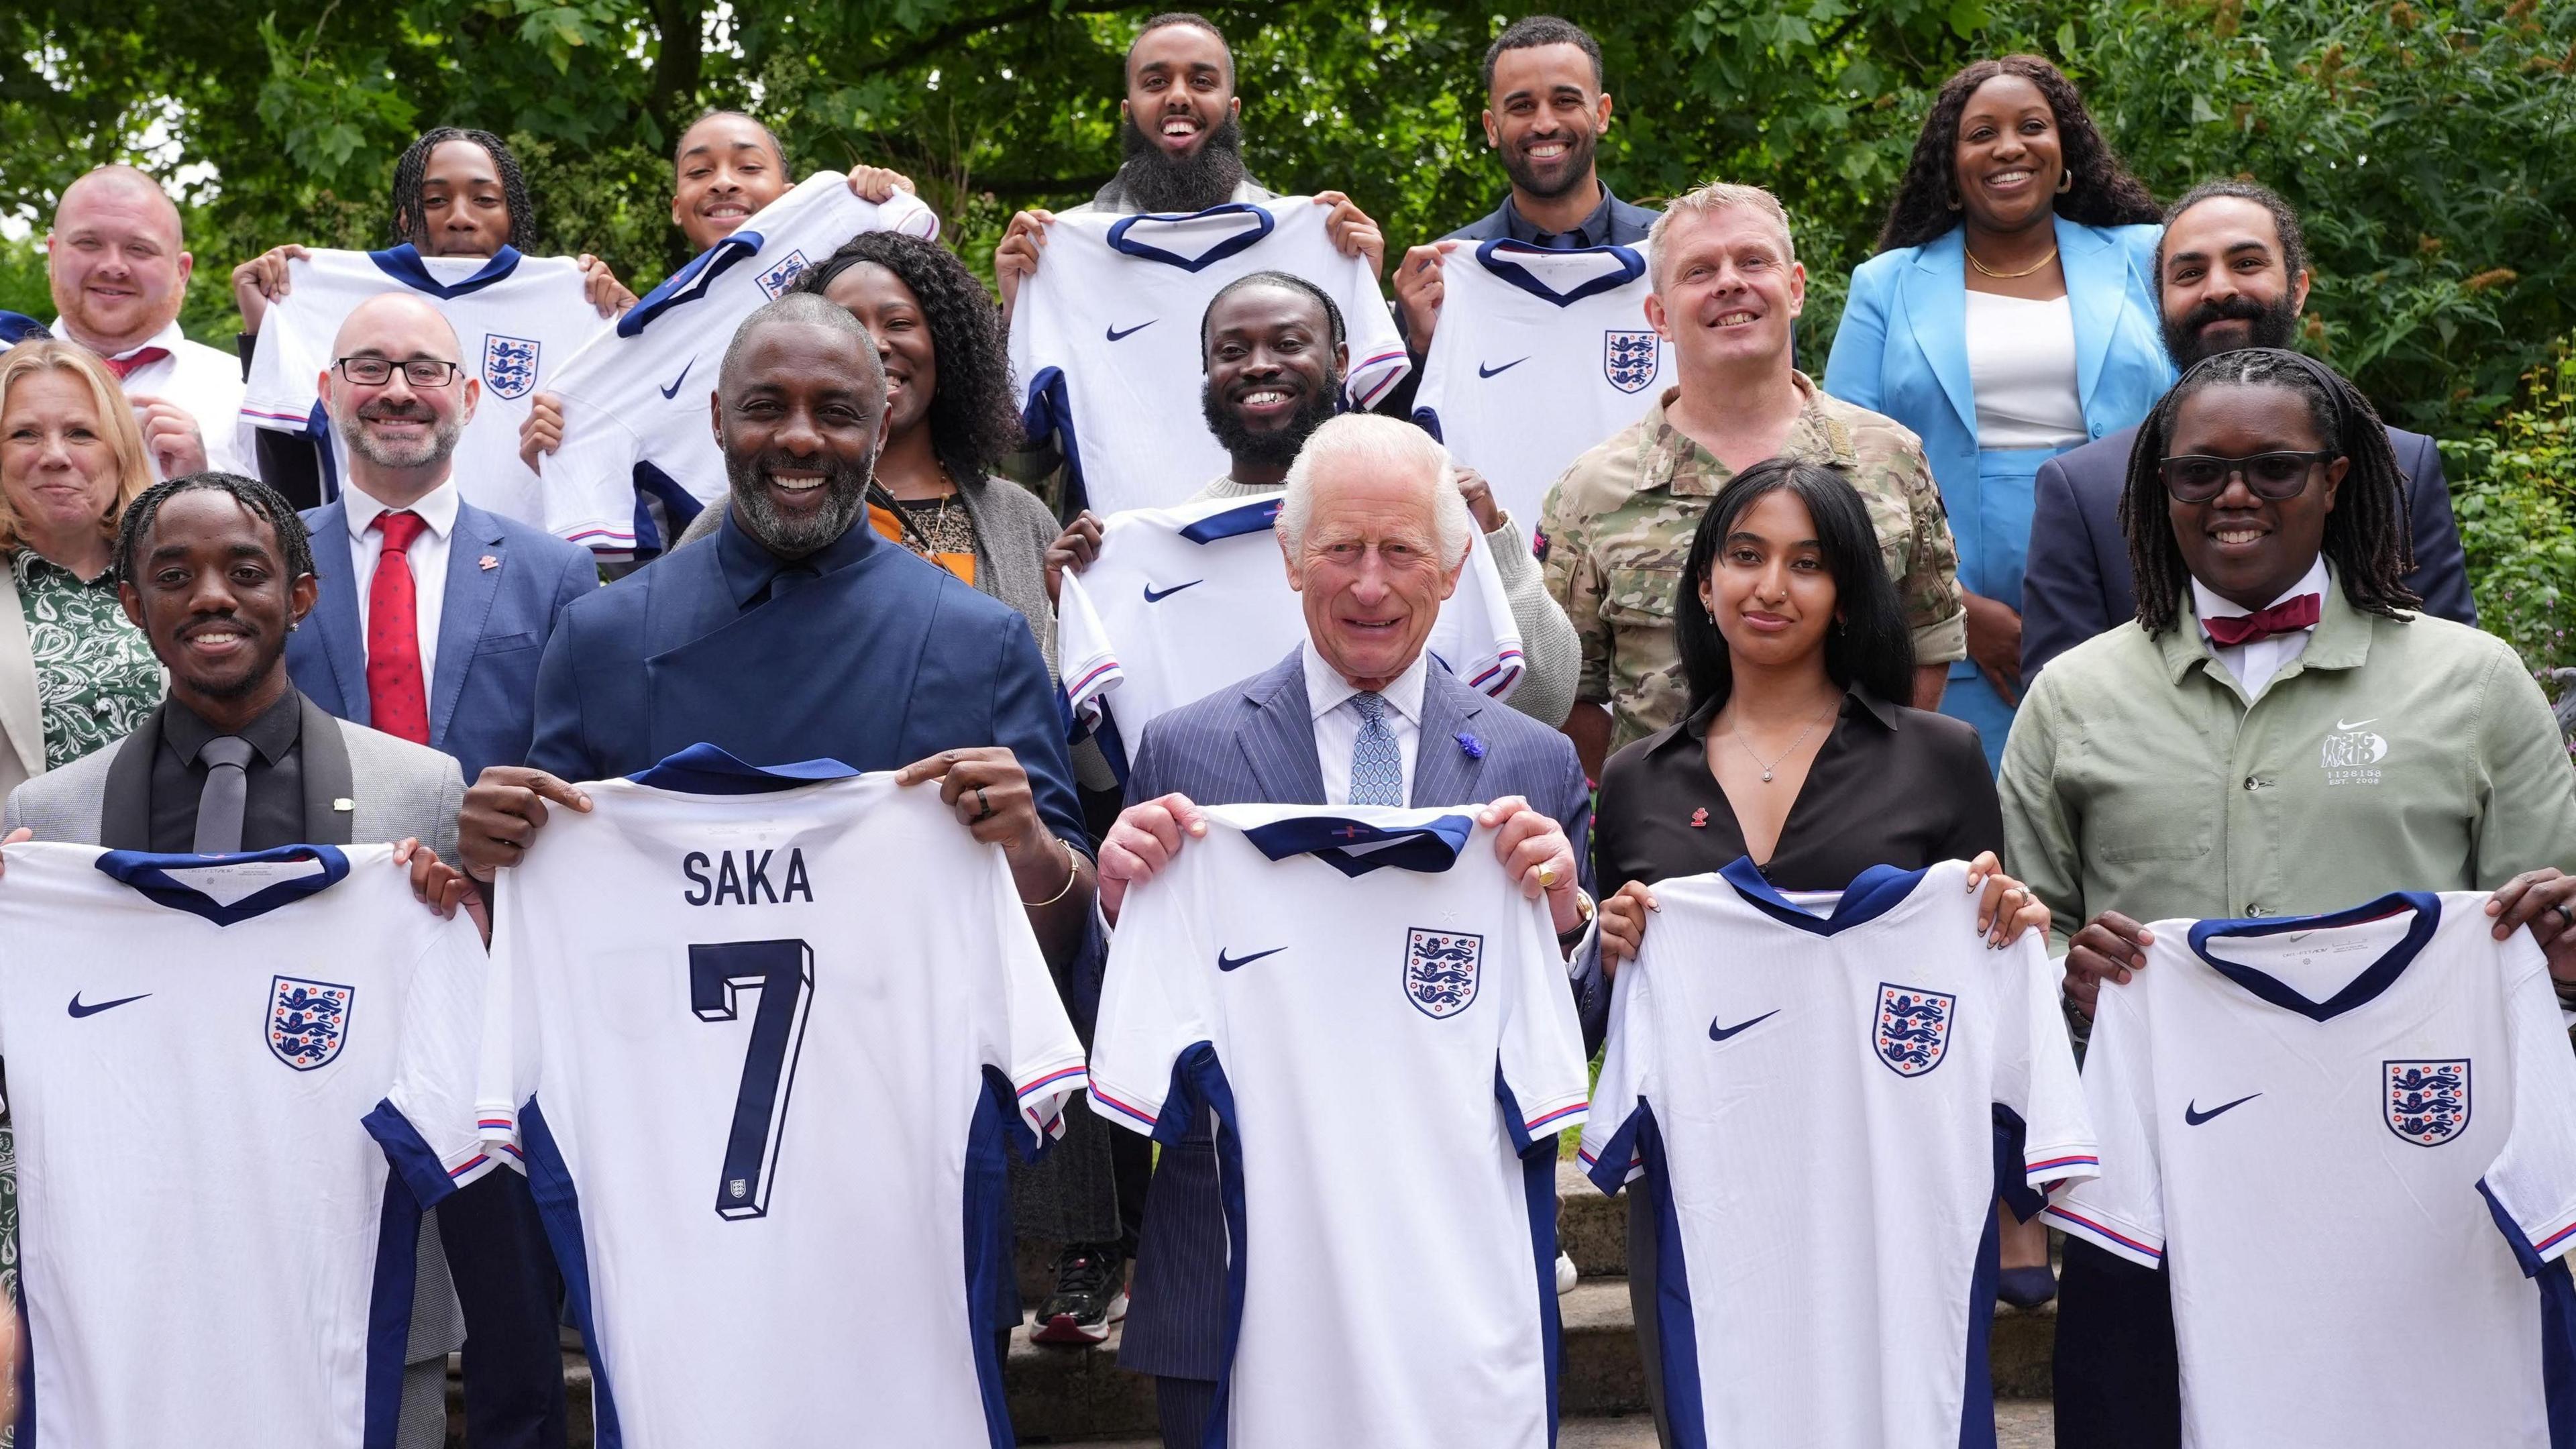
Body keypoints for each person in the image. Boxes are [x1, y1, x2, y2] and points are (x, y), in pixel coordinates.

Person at [1997, 347, 2576, 1448]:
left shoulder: (2474, 681)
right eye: (2198, 472)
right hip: (2163, 1204)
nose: (2233, 496)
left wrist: (2563, 951)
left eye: (2273, 468)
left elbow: (2542, 934)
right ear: (2156, 488)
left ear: (2339, 480)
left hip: (2424, 1195)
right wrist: (2070, 980)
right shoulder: (2072, 698)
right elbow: (2019, 940)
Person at [1088, 411, 1599, 1448]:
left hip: (1459, 1280)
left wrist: (1567, 923)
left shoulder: (1534, 765)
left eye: (1402, 550)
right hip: (1241, 1285)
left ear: (1455, 569)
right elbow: (1131, 1032)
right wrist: (1114, 910)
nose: (1371, 585)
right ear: (1288, 557)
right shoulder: (1182, 754)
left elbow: (1577, 1027)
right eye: (1341, 550)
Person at [663, 233, 1124, 1344]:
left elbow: (1062, 685)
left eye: (901, 323)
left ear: (944, 347)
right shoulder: (736, 517)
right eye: (850, 321)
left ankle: (1079, 1250)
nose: (878, 342)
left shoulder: (1014, 515)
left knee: (1056, 938)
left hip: (979, 835)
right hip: (800, 865)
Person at [0, 470, 482, 1449]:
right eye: (173, 574)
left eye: (247, 570)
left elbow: (477, 1041)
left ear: (301, 596)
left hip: (353, 1301)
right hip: (124, 1310)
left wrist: (467, 916)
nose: (211, 595)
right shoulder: (46, 821)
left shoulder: (421, 793)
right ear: (133, 605)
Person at [1587, 457, 2051, 1443]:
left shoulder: (1940, 758)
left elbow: (1982, 970)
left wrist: (2013, 922)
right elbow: (1598, 1016)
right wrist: (1609, 944)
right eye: (1746, 556)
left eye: (1808, 564)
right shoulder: (1634, 780)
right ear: (1704, 582)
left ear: (1845, 598)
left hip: (1896, 1191)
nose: (1771, 587)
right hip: (1710, 1199)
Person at [455, 290, 1093, 954]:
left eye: (837, 413)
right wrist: (491, 859)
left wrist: (1030, 847)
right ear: (718, 420)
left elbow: (1069, 931)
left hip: (907, 1051)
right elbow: (549, 919)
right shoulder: (599, 639)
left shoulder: (984, 643)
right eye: (764, 408)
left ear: (879, 431)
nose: (798, 436)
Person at [276, 293, 592, 1448]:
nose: (397, 389)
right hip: (308, 956)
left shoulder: (555, 573)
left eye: (424, 368)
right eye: (368, 367)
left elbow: (581, 758)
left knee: (509, 1284)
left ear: (469, 394)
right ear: (326, 393)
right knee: (315, 1258)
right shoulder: (263, 555)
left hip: (498, 962)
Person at [1540, 181, 1968, 780]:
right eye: (1698, 270)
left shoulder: (1888, 458)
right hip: (1671, 846)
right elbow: (1568, 693)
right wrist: (1653, 796)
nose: (1729, 282)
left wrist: (1872, 783)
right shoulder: (1591, 492)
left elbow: (1929, 640)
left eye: (1752, 261)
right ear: (1659, 315)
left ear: (1794, 289)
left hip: (1857, 831)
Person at [1824, 53, 2170, 772]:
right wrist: (1954, 614)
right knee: (1979, 842)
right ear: (1950, 168)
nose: (2008, 146)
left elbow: (2205, 411)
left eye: (2032, 126)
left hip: (2139, 591)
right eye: (1982, 133)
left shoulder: (2147, 257)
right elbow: (1843, 462)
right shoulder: (1886, 284)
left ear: (2065, 153)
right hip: (1953, 623)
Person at [1046, 270, 1582, 726]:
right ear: (1207, 373)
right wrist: (1069, 614)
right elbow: (1099, 766)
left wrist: (1494, 543)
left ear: (1342, 360)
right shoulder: (1154, 553)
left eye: (1287, 344)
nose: (1258, 365)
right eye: (1232, 351)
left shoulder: (1425, 514)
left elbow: (1544, 703)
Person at [2020, 179, 2476, 676]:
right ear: (2160, 303)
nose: (2219, 289)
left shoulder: (2402, 467)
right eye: (2190, 273)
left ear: (2298, 290)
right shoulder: (2083, 490)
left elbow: (2453, 682)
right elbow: (2061, 717)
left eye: (2247, 264)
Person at [232, 127, 635, 509]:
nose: (460, 217)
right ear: (407, 216)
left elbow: (618, 456)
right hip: (364, 553)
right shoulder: (326, 290)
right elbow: (287, 462)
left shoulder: (572, 297)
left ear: (512, 213)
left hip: (517, 565)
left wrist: (632, 329)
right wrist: (264, 330)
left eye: (485, 200)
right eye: (436, 201)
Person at [516, 109, 920, 472]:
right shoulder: (647, 331)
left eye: (748, 167)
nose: (723, 183)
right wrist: (560, 458)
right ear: (677, 207)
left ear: (791, 195)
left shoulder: (853, 276)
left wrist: (891, 205)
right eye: (698, 172)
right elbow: (651, 522)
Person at [991, 12, 1384, 329]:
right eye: (1156, 82)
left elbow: (1355, 402)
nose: (1178, 97)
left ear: (1233, 110)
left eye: (1201, 81)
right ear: (1128, 112)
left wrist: (1358, 292)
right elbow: (1017, 414)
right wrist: (1016, 315)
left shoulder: (1319, 241)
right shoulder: (1055, 252)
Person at [1383, 14, 1658, 415]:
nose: (1544, 123)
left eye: (1565, 101)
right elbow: (1395, 447)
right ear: (1492, 127)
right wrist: (1422, 348)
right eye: (1522, 106)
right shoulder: (1440, 277)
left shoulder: (1676, 254)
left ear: (1601, 114)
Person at [1, 341, 162, 804]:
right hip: (22, 869)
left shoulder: (177, 577)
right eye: (25, 435)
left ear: (120, 452)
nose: (55, 455)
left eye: (80, 434)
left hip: (175, 868)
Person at [42, 166, 248, 480]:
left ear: (182, 271)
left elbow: (296, 520)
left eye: (139, 249)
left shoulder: (244, 392)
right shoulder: (6, 376)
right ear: (53, 255)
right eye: (88, 243)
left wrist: (203, 484)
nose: (113, 266)